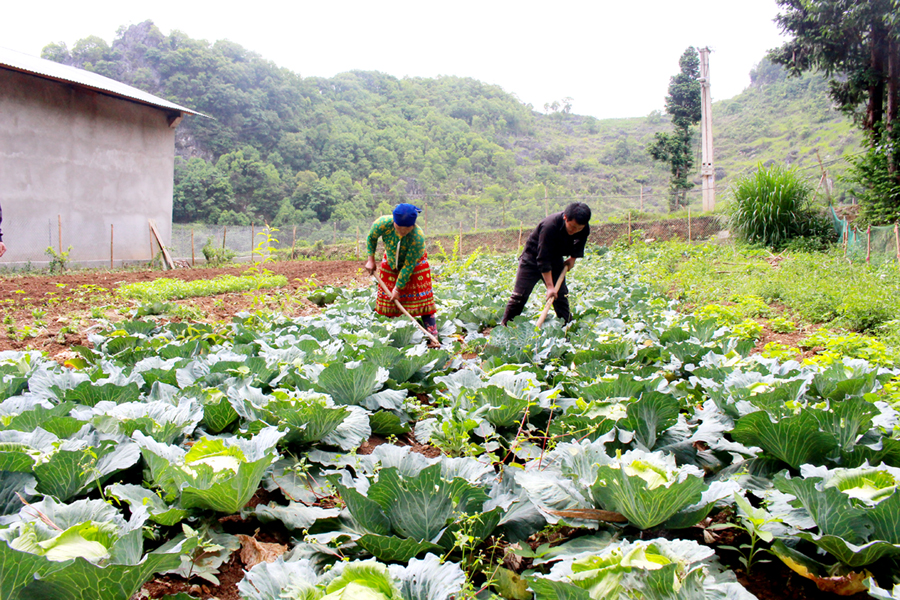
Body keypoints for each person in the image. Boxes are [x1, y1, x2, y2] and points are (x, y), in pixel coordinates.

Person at [500, 202, 592, 326]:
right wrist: (550, 287)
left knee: (560, 296)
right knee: (519, 296)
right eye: (573, 227)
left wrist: (573, 258)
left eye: (579, 228)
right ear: (565, 217)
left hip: (555, 259)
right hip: (531, 259)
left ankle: (567, 328)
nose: (575, 231)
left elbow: (580, 241)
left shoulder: (583, 227)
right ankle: (505, 327)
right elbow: (543, 258)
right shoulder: (550, 226)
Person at [364, 203, 438, 342]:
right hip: (391, 260)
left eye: (406, 230)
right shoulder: (382, 223)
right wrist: (371, 260)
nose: (402, 233)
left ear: (413, 226)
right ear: (394, 222)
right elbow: (371, 238)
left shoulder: (417, 237)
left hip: (415, 265)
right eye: (399, 228)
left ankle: (432, 335)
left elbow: (408, 266)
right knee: (387, 299)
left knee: (422, 299)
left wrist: (398, 288)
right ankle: (388, 334)